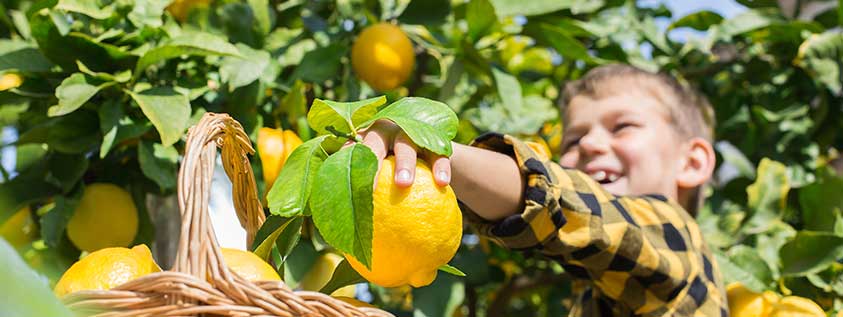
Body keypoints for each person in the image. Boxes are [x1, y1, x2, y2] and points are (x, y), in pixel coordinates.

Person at [355, 64, 728, 316]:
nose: (591, 145)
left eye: (622, 127)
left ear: (692, 162)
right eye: (574, 138)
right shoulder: (598, 288)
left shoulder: (675, 237)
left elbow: (565, 204)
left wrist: (438, 150)